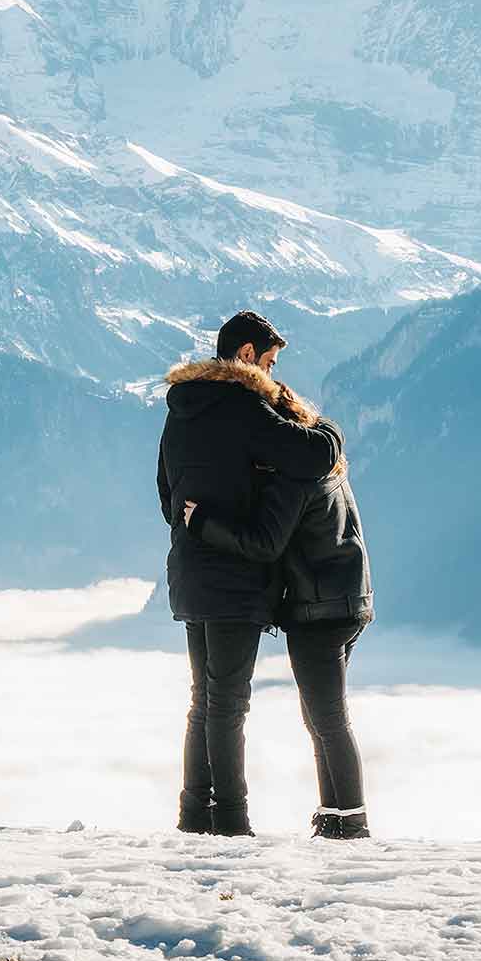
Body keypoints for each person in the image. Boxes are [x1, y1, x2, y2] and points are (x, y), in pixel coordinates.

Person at [155, 310, 338, 837]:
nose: (275, 376)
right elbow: (314, 456)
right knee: (229, 702)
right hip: (237, 575)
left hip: (189, 572)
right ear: (247, 357)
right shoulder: (245, 406)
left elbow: (167, 495)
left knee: (203, 700)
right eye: (272, 363)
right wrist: (320, 422)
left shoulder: (180, 411)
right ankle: (232, 823)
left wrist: (197, 524)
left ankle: (194, 815)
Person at [181, 374, 374, 841]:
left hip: (317, 610)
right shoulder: (330, 467)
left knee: (327, 718)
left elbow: (264, 543)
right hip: (350, 602)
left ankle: (350, 822)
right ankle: (335, 815)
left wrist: (202, 521)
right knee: (322, 717)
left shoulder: (296, 478)